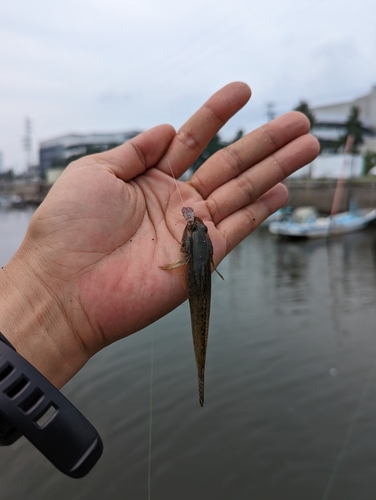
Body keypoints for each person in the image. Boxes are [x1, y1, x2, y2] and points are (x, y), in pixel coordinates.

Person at [0, 82, 319, 388]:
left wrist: (41, 296)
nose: (197, 226)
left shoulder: (193, 238)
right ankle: (201, 379)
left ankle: (201, 378)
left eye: (199, 229)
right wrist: (42, 290)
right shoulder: (195, 237)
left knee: (201, 320)